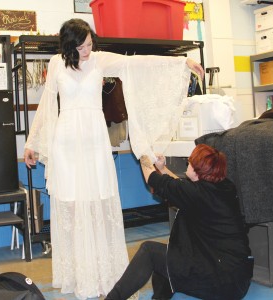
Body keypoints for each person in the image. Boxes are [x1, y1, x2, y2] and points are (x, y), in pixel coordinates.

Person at [23, 18, 204, 300]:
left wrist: (182, 63)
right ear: (69, 46)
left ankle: (103, 275)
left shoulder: (99, 60)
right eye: (82, 46)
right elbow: (47, 106)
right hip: (67, 143)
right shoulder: (56, 64)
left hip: (95, 142)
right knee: (71, 207)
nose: (87, 49)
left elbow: (136, 64)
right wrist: (32, 143)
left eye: (90, 44)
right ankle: (78, 274)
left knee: (97, 201)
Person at [105, 144, 253, 300]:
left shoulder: (196, 194)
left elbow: (152, 179)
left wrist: (142, 151)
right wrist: (162, 168)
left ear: (197, 171)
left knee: (149, 252)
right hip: (237, 277)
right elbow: (182, 188)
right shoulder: (224, 186)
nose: (187, 163)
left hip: (219, 281)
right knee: (169, 256)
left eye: (190, 162)